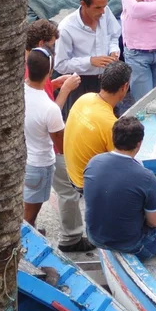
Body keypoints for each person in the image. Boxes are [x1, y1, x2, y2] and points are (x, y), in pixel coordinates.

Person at [26, 20, 94, 251]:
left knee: (30, 203)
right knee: (66, 190)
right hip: (44, 155)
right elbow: (53, 121)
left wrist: (53, 84)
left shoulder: (27, 79)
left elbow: (38, 92)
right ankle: (71, 238)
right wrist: (64, 91)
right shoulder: (50, 110)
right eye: (52, 47)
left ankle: (31, 229)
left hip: (30, 151)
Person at [84, 116, 156, 260]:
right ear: (139, 144)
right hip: (130, 244)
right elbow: (154, 222)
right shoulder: (146, 177)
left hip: (94, 236)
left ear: (113, 137)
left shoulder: (94, 162)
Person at [54, 0, 122, 119]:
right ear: (83, 4)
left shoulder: (105, 12)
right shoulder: (66, 28)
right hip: (80, 85)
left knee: (110, 123)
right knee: (81, 124)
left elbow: (114, 35)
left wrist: (114, 51)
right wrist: (90, 61)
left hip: (106, 80)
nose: (103, 11)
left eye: (104, 6)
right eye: (97, 7)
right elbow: (60, 65)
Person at [63, 61, 132, 193]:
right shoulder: (111, 125)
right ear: (125, 87)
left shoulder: (85, 98)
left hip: (71, 172)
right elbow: (123, 164)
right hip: (87, 184)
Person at [23, 48, 66, 228]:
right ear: (49, 72)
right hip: (39, 166)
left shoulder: (18, 92)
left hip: (24, 160)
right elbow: (61, 145)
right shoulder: (50, 109)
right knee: (29, 219)